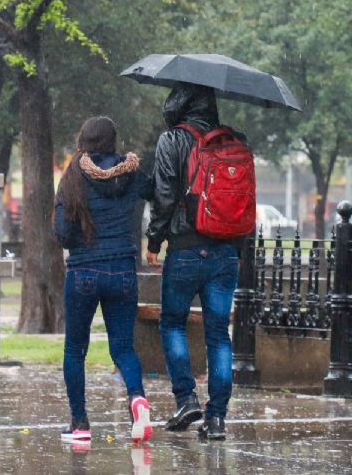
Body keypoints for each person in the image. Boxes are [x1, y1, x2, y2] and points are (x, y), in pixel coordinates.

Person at [145, 83, 244, 440]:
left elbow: (165, 195)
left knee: (172, 324)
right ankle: (217, 418)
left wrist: (154, 238)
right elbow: (243, 201)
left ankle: (186, 398)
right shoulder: (236, 142)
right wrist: (238, 250)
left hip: (185, 249)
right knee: (218, 336)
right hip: (225, 252)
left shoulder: (172, 140)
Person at [54, 116, 154, 444]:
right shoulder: (132, 172)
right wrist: (155, 238)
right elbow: (157, 194)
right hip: (123, 269)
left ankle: (80, 423)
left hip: (83, 270)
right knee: (124, 346)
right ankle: (137, 398)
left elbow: (63, 234)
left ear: (84, 139)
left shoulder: (72, 176)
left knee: (75, 349)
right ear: (113, 140)